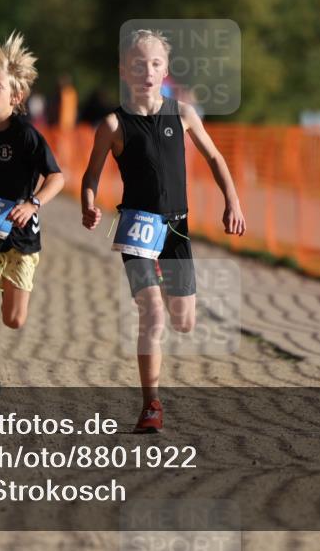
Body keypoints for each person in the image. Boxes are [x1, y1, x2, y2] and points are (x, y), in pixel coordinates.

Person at [81, 29, 246, 433]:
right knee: (151, 313)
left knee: (183, 321)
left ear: (166, 69)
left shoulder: (183, 114)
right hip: (137, 229)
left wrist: (233, 201)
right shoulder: (113, 123)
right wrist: (88, 202)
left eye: (154, 64)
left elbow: (215, 158)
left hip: (176, 231)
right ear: (124, 70)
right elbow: (91, 175)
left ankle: (169, 297)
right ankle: (151, 403)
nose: (147, 71)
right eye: (138, 64)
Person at [0, 32, 65, 407]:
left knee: (14, 319)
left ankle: (5, 280)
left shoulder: (27, 137)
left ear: (14, 95)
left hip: (21, 236)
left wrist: (33, 203)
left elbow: (57, 178)